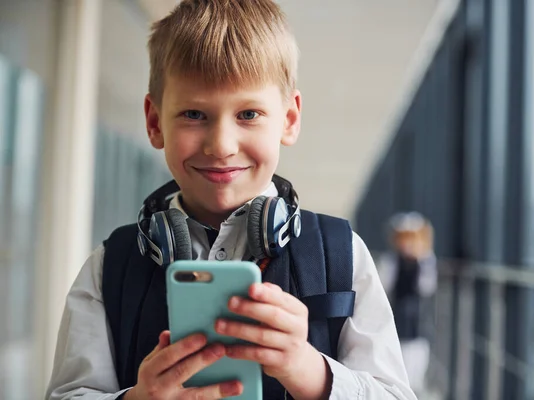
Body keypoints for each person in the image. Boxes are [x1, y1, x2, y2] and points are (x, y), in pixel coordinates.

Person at [45, 1, 417, 399]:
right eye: (193, 114)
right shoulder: (111, 267)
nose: (221, 146)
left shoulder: (343, 255)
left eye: (249, 114)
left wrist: (310, 371)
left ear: (289, 120)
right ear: (154, 123)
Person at [377, 212, 438, 395]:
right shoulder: (391, 261)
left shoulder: (425, 262)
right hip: (396, 324)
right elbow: (383, 285)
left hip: (418, 327)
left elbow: (426, 287)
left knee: (415, 373)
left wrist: (422, 260)